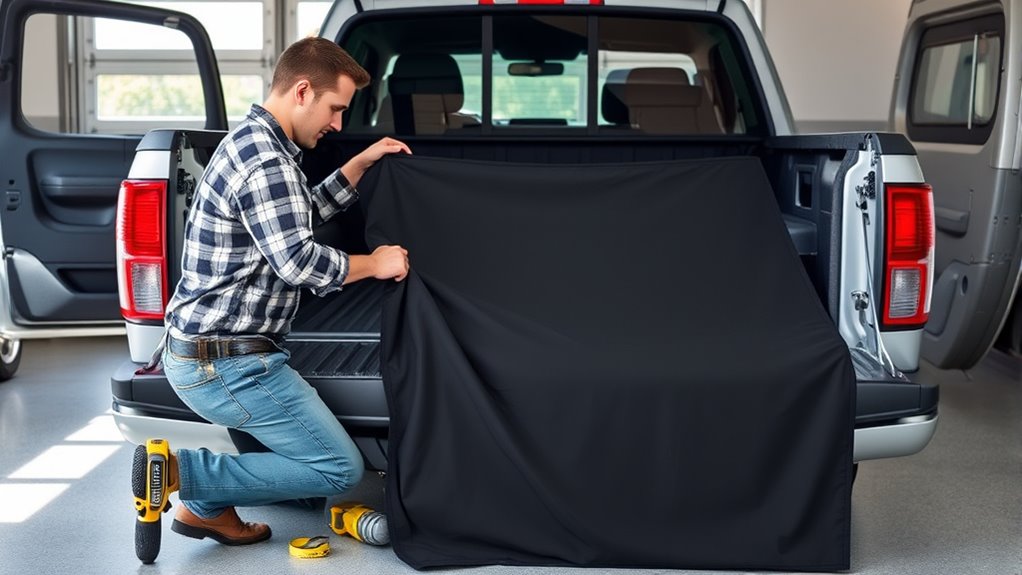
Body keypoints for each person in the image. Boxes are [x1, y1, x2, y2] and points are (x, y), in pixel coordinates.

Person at [136, 37, 411, 545]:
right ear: (302, 91)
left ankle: (204, 508)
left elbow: (292, 216)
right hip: (223, 365)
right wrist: (376, 263)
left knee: (317, 459)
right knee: (337, 470)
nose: (337, 125)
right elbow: (298, 262)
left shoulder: (256, 144)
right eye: (335, 109)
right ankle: (182, 474)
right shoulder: (266, 160)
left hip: (211, 352)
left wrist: (359, 164)